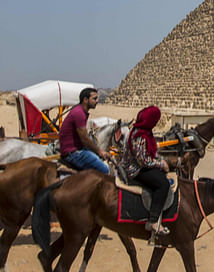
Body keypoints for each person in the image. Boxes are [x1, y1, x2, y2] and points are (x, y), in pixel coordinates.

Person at [118, 106, 171, 241]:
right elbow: (143, 161)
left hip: (138, 165)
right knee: (163, 184)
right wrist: (160, 164)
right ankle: (153, 221)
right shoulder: (139, 135)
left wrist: (161, 160)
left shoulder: (143, 131)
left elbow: (150, 153)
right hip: (135, 169)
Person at [58, 87, 110, 173]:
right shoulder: (79, 113)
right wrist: (100, 151)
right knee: (105, 170)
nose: (97, 101)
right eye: (94, 98)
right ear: (85, 99)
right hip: (73, 153)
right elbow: (84, 138)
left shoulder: (80, 111)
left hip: (76, 149)